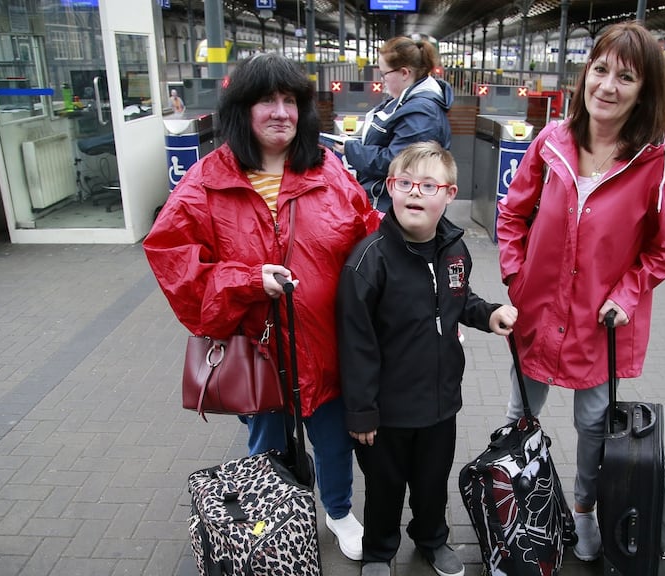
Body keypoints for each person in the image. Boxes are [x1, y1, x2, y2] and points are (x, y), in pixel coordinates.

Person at [143, 53, 379, 562]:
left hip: (326, 345)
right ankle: (267, 516)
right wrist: (246, 280)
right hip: (257, 350)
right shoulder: (207, 181)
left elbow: (369, 241)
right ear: (242, 110)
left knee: (334, 441)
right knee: (266, 446)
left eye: (290, 100)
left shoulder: (329, 170)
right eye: (266, 100)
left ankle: (338, 512)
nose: (280, 112)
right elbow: (172, 259)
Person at [494, 21, 665, 562]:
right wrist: (516, 275)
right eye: (600, 70)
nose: (607, 86)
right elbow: (512, 215)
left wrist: (626, 296)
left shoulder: (659, 159)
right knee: (520, 412)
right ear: (585, 75)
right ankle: (514, 499)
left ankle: (582, 510)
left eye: (625, 77)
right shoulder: (552, 140)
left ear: (645, 89)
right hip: (539, 310)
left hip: (600, 323)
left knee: (593, 424)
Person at [336, 142, 518, 576]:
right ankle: (380, 551)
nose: (415, 193)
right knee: (384, 487)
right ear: (391, 189)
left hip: (440, 404)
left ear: (449, 194)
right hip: (388, 412)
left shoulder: (455, 250)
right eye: (405, 183)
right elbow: (355, 344)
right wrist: (361, 412)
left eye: (428, 185)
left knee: (432, 483)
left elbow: (458, 300)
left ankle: (432, 538)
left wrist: (488, 312)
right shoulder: (369, 261)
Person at [338, 36, 453, 213]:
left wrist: (352, 149)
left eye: (385, 74)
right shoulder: (406, 101)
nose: (383, 80)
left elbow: (397, 162)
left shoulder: (422, 113)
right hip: (392, 205)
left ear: (404, 73)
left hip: (396, 210)